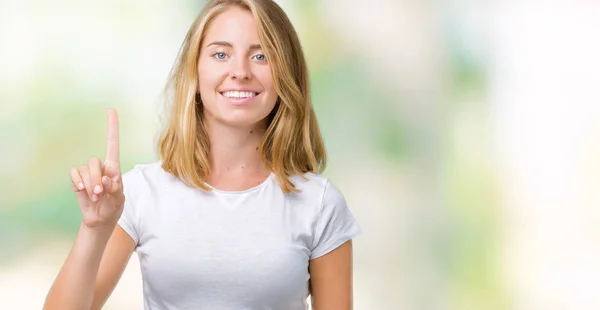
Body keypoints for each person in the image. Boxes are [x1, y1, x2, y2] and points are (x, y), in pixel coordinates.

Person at [44, 0, 361, 309]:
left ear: (285, 74)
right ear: (194, 72)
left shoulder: (319, 204)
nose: (240, 71)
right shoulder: (139, 193)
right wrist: (94, 230)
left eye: (261, 56)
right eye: (221, 54)